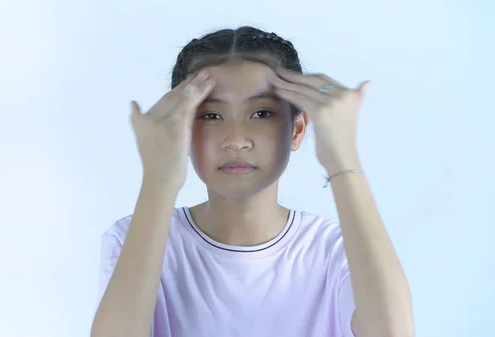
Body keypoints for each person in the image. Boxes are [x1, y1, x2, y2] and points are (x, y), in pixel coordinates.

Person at [91, 26, 414, 337]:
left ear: (297, 130)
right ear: (182, 131)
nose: (236, 140)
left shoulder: (338, 252)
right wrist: (159, 178)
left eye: (261, 113)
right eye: (211, 116)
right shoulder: (132, 241)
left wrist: (342, 157)